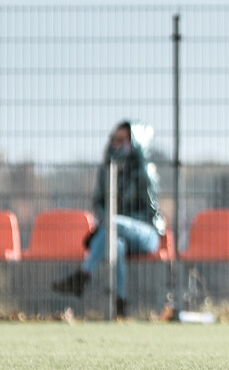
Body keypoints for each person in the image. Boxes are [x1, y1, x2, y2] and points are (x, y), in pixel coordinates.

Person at [52, 120, 166, 318]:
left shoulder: (144, 171)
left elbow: (150, 210)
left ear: (134, 142)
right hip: (115, 231)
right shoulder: (106, 169)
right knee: (116, 245)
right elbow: (99, 201)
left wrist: (119, 220)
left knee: (113, 224)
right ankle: (119, 305)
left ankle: (82, 275)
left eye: (123, 140)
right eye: (115, 139)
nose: (117, 144)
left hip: (145, 233)